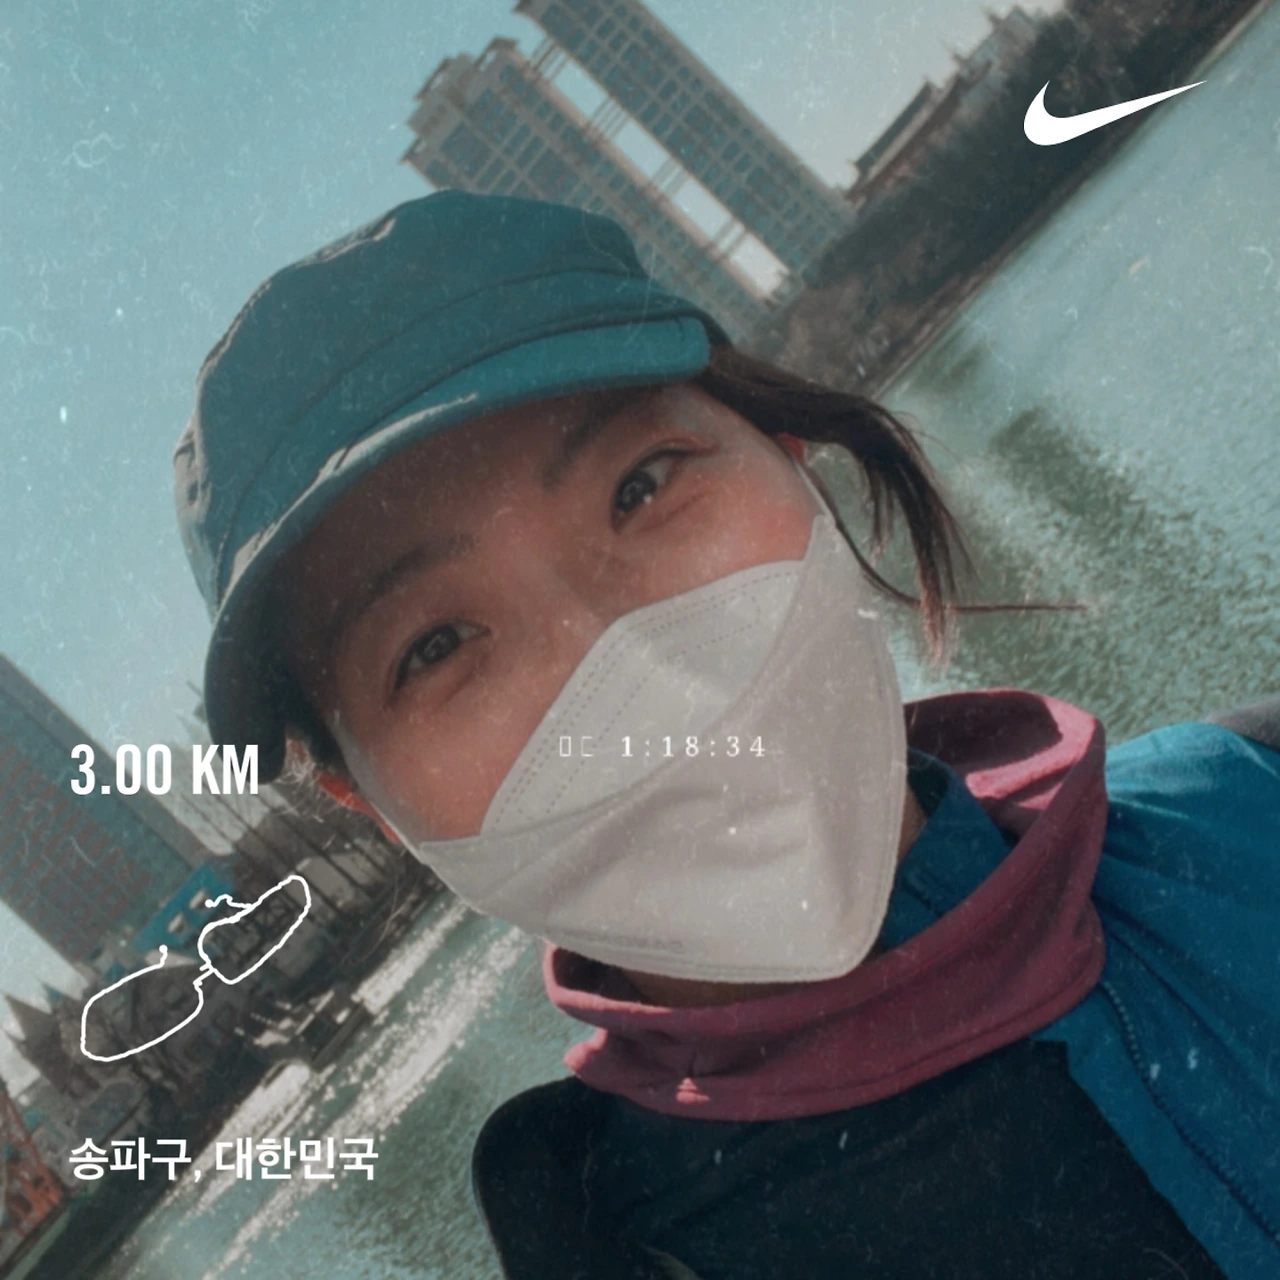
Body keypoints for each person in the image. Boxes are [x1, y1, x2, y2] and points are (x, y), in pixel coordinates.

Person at [173, 191, 1280, 1280]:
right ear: (371, 804)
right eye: (435, 646)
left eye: (640, 486)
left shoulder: (1252, 796)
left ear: (788, 455)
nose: (624, 665)